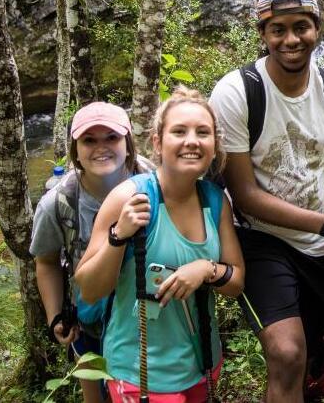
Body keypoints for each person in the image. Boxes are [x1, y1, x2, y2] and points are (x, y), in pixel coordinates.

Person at [209, 0, 324, 403]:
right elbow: (243, 194)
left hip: (322, 242)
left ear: (317, 28)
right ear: (263, 36)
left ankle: (313, 370)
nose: (291, 39)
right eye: (277, 29)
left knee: (322, 336)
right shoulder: (237, 93)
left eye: (301, 26)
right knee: (286, 353)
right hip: (260, 238)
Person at [75, 87, 245, 400]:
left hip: (201, 362)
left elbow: (235, 282)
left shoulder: (214, 200)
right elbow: (89, 289)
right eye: (179, 131)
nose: (192, 141)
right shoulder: (129, 197)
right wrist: (119, 235)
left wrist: (205, 269)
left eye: (203, 132)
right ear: (158, 142)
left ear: (214, 145)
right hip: (140, 372)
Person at [31, 102, 153, 403]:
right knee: (95, 395)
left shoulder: (155, 180)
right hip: (91, 317)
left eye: (111, 137)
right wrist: (56, 316)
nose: (102, 148)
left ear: (128, 143)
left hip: (150, 314)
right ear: (75, 150)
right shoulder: (58, 203)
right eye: (89, 140)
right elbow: (46, 262)